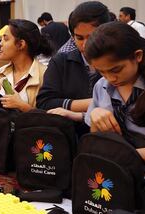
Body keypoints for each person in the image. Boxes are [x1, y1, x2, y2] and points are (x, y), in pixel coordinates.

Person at [84, 22, 145, 212]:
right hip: (117, 182)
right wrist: (96, 115)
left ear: (137, 56)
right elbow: (98, 140)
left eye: (115, 70)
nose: (109, 78)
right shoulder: (101, 86)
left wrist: (129, 156)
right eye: (101, 71)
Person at [36, 1, 110, 135]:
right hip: (67, 139)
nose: (86, 44)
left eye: (92, 36)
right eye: (79, 38)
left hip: (108, 141)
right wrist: (93, 103)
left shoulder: (117, 63)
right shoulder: (61, 62)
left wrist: (74, 109)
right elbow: (44, 103)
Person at [0, 19, 53, 112]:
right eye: (1, 39)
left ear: (21, 44)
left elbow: (51, 117)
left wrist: (22, 106)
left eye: (6, 39)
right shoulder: (0, 74)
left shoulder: (45, 75)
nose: (0, 44)